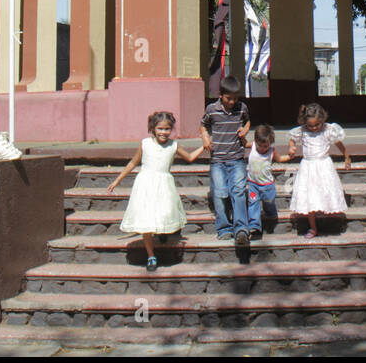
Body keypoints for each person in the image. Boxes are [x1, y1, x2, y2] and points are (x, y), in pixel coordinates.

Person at [106, 111, 206, 271]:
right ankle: (151, 255)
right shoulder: (145, 144)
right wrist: (117, 180)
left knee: (163, 212)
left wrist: (204, 146)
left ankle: (162, 232)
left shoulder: (173, 145)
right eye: (160, 129)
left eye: (167, 129)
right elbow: (133, 162)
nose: (163, 132)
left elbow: (189, 157)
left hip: (164, 185)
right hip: (146, 185)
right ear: (153, 128)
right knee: (146, 220)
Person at [200, 75, 253, 245]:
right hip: (217, 160)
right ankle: (223, 227)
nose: (232, 102)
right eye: (229, 98)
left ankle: (241, 229)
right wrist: (205, 138)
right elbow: (203, 125)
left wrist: (245, 130)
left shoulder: (242, 108)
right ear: (220, 95)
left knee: (238, 191)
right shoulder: (211, 109)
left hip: (236, 158)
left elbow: (248, 121)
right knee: (220, 192)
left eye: (235, 98)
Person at [287, 102, 351, 238]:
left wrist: (346, 156)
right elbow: (292, 139)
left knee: (325, 193)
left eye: (317, 124)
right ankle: (313, 227)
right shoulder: (303, 131)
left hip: (323, 166)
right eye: (310, 125)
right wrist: (291, 147)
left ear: (322, 120)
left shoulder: (328, 130)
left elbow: (339, 143)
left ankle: (329, 221)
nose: (314, 128)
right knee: (310, 196)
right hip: (308, 167)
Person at [244, 123, 292, 240]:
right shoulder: (253, 146)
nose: (262, 148)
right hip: (253, 184)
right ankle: (255, 227)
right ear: (256, 141)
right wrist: (242, 134)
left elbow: (280, 159)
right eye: (260, 145)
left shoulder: (271, 152)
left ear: (270, 144)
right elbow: (244, 143)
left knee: (268, 202)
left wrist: (290, 156)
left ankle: (271, 213)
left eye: (265, 146)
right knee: (253, 203)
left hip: (267, 185)